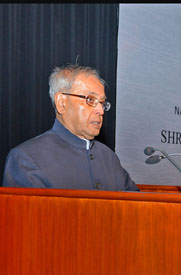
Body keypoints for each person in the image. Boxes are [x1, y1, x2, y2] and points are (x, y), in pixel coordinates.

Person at [3, 64, 138, 191]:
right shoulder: (27, 159)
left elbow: (135, 206)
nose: (100, 111)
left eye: (102, 103)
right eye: (90, 100)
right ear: (62, 103)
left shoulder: (109, 157)